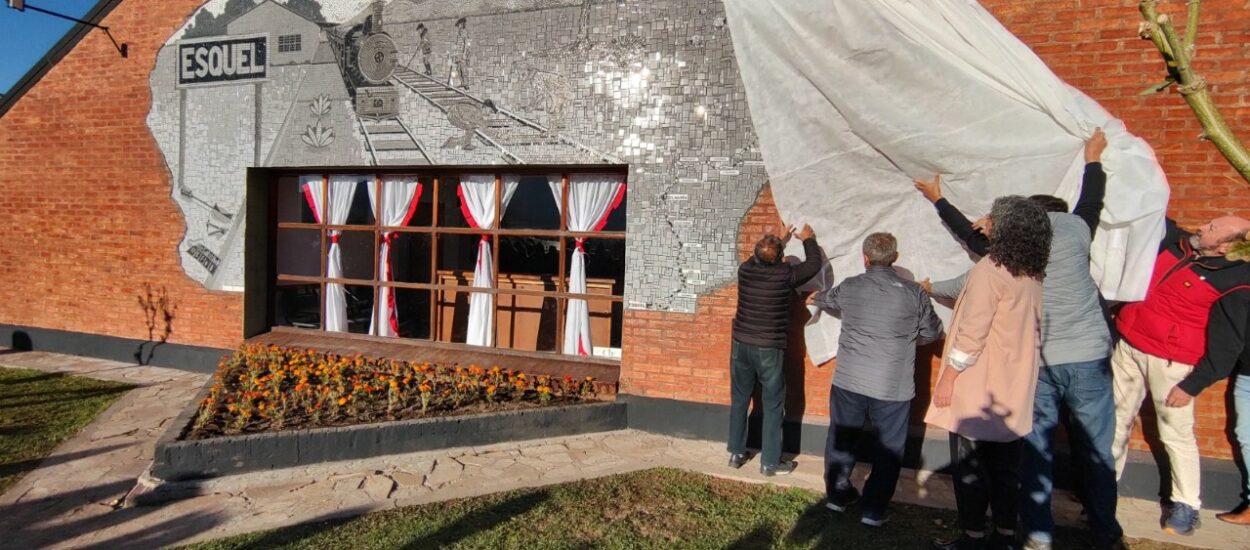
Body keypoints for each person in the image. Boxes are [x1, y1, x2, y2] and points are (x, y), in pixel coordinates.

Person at [916, 130, 1125, 550]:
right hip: (1085, 357)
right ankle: (1103, 532)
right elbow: (1091, 201)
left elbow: (972, 258)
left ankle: (1035, 535)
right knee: (1095, 451)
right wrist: (1093, 159)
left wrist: (938, 199)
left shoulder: (1005, 262)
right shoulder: (1070, 236)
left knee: (1035, 454)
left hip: (1040, 366)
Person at [1110, 205, 1250, 535]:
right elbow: (1152, 210)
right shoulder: (1178, 245)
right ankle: (1102, 490)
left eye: (1212, 227)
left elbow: (1228, 343)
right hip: (1129, 347)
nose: (1202, 226)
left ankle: (1186, 505)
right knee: (1115, 422)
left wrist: (1193, 384)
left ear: (1227, 245)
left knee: (1176, 433)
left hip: (1173, 365)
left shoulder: (1235, 281)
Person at [924, 196, 1051, 550]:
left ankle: (973, 535)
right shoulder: (1031, 271)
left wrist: (949, 376)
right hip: (1013, 386)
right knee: (1007, 470)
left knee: (971, 467)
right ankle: (1006, 535)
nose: (984, 222)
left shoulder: (991, 271)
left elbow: (973, 333)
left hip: (980, 384)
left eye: (992, 218)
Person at [812, 232, 943, 527]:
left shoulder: (850, 287)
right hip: (892, 386)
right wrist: (908, 339)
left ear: (865, 258)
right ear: (895, 257)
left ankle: (837, 495)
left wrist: (817, 297)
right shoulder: (914, 293)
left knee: (841, 437)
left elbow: (824, 298)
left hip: (848, 380)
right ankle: (873, 510)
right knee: (889, 448)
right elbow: (933, 333)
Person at [728, 224, 823, 476]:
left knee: (739, 399)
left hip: (741, 345)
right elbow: (814, 264)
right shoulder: (785, 275)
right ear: (781, 258)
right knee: (772, 404)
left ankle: (736, 453)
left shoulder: (745, 270)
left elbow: (761, 255)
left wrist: (779, 238)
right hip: (769, 348)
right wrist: (808, 239)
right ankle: (770, 462)